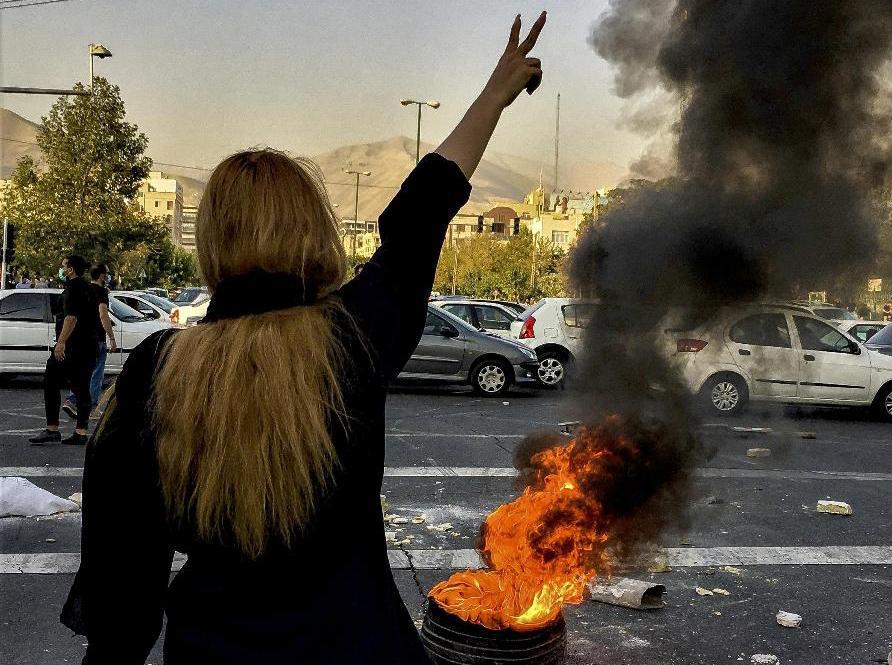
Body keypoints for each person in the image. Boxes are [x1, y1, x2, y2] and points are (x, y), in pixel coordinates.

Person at [61, 12, 546, 664]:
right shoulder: (354, 336)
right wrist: (494, 95)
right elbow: (421, 211)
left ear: (212, 241)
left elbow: (122, 602)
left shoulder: (154, 372)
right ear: (312, 228)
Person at [29, 255, 101, 445]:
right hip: (88, 346)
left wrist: (61, 342)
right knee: (81, 387)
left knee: (51, 379)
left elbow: (71, 317)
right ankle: (81, 432)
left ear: (70, 269)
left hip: (73, 347)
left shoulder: (73, 288)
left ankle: (52, 429)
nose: (61, 269)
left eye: (63, 266)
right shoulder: (89, 288)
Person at [62, 264, 118, 419]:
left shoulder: (84, 289)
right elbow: (103, 315)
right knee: (96, 374)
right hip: (96, 338)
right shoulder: (101, 292)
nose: (108, 276)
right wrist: (111, 337)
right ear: (101, 275)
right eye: (107, 273)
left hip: (81, 337)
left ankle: (72, 400)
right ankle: (90, 407)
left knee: (82, 372)